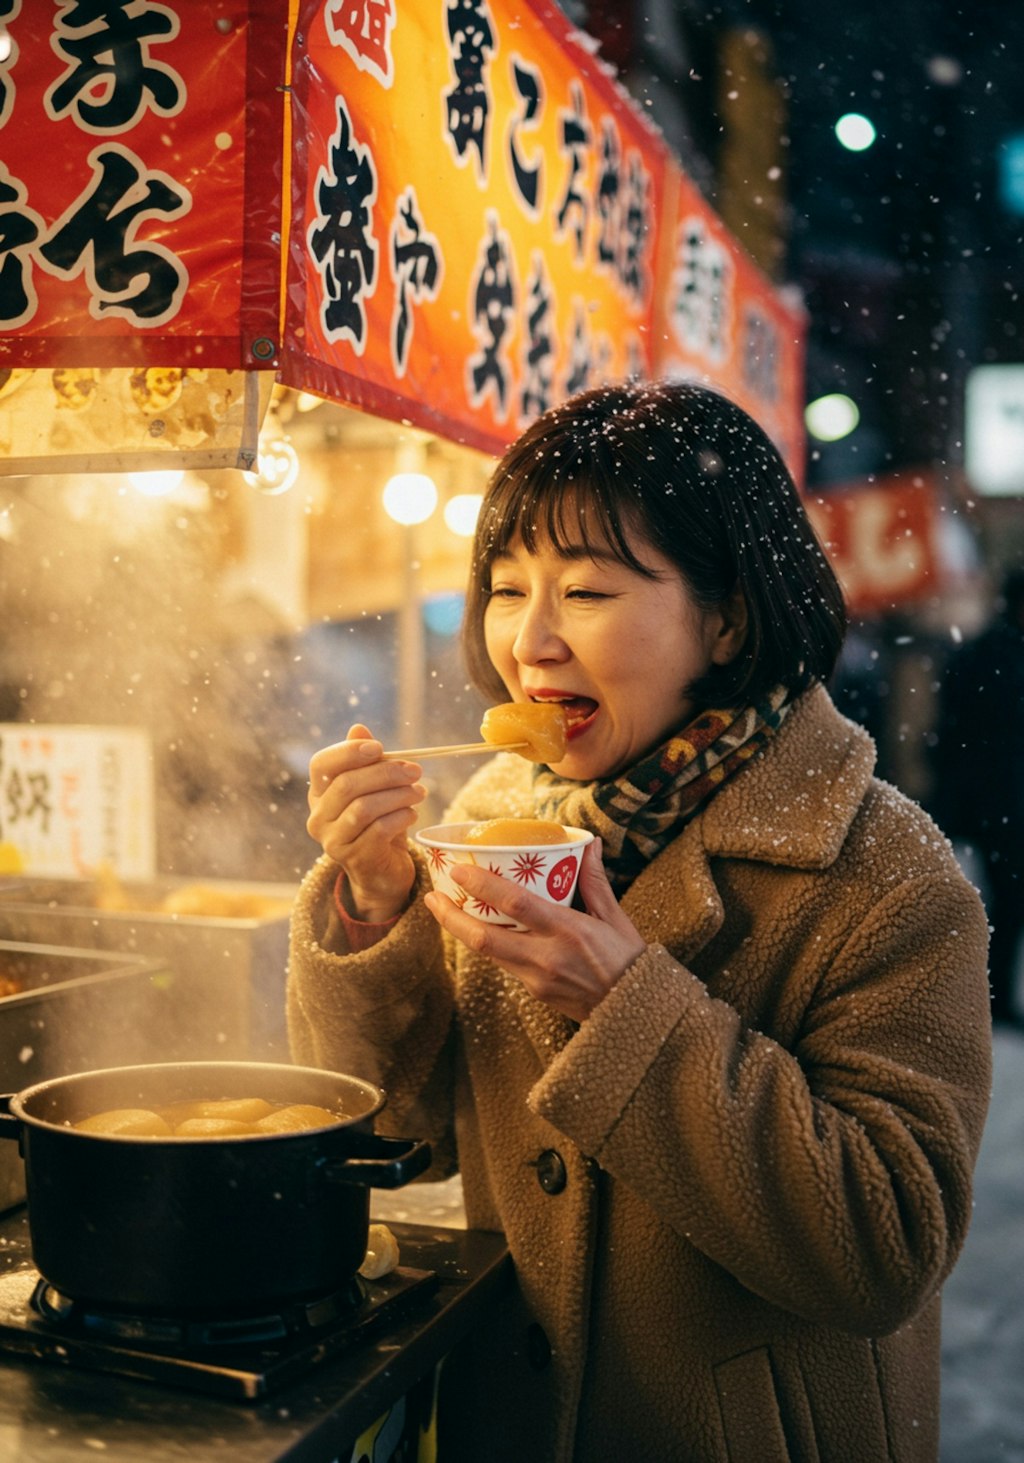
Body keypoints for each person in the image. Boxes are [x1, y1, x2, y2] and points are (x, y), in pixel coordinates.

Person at [288, 381, 992, 1463]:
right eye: (506, 587)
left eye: (585, 591)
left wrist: (624, 1003)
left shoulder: (883, 875)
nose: (529, 642)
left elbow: (885, 1246)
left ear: (724, 613)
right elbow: (389, 1135)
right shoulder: (492, 823)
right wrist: (374, 911)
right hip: (502, 1420)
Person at [932, 566, 1024, 1027]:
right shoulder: (1000, 657)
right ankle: (990, 998)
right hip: (1001, 803)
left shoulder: (974, 654)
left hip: (980, 801)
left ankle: (982, 995)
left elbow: (948, 733)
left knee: (989, 901)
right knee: (1002, 901)